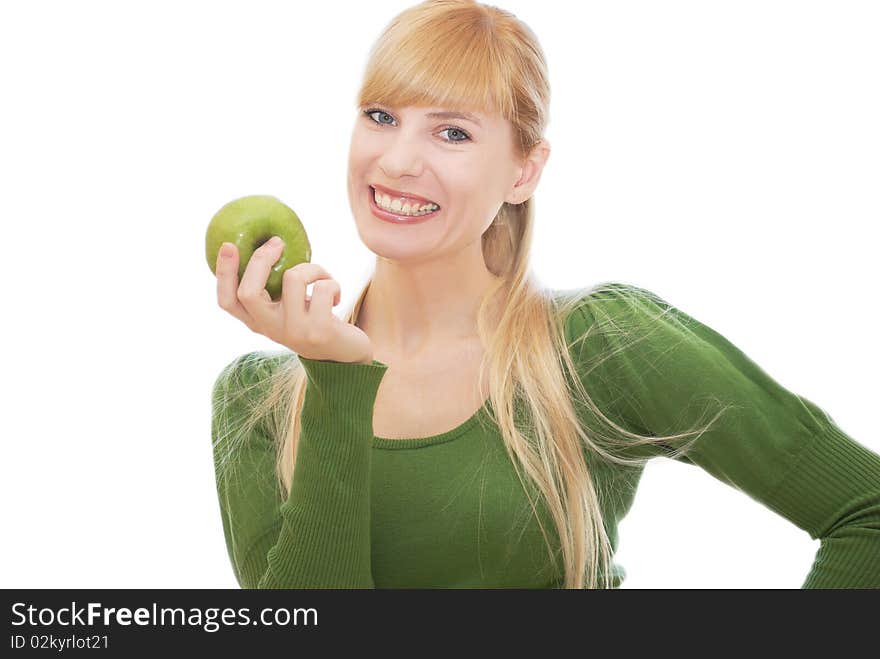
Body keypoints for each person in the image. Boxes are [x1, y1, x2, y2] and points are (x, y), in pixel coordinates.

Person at [210, 0, 880, 589]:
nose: (396, 160)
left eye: (453, 133)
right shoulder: (256, 400)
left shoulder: (597, 346)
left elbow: (866, 511)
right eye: (381, 116)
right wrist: (336, 377)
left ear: (524, 170)